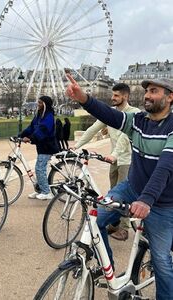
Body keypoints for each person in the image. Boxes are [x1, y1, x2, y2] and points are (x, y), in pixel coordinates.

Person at [66, 75, 173, 299]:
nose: (147, 95)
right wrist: (84, 98)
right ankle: (110, 272)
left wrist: (146, 200)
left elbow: (165, 166)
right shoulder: (138, 120)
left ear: (170, 97)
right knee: (95, 220)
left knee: (162, 261)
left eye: (154, 91)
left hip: (162, 202)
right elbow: (110, 116)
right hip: (131, 188)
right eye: (146, 91)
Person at [74, 83, 140, 241]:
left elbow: (125, 138)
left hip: (127, 160)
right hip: (114, 160)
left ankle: (124, 229)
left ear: (125, 96)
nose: (113, 98)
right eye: (113, 95)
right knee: (113, 195)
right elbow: (92, 129)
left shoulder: (134, 113)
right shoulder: (110, 114)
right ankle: (115, 224)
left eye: (117, 95)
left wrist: (115, 154)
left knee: (123, 197)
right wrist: (76, 146)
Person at [20, 95, 59, 200]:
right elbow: (32, 127)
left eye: (40, 102)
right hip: (42, 147)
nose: (38, 104)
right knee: (39, 169)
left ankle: (47, 192)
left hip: (48, 147)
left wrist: (31, 138)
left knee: (39, 169)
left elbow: (42, 130)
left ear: (45, 104)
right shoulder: (39, 115)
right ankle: (40, 190)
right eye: (38, 102)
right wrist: (20, 135)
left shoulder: (49, 116)